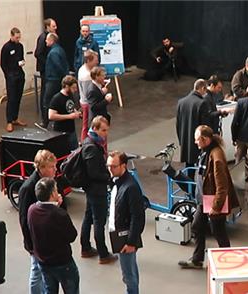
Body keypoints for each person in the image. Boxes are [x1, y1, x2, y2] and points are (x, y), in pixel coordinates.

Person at [178, 125, 240, 269]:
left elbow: (222, 186)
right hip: (204, 200)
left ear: (205, 139)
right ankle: (197, 260)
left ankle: (229, 261)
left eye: (197, 140)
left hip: (213, 203)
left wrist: (216, 207)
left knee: (219, 232)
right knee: (197, 227)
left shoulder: (216, 157)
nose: (195, 142)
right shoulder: (206, 151)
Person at [27, 177, 79, 294]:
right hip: (63, 262)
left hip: (44, 262)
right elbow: (72, 236)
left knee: (49, 290)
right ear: (52, 193)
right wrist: (58, 207)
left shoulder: (32, 210)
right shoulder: (59, 214)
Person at [18, 150, 58, 294]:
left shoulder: (48, 183)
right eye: (52, 167)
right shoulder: (28, 188)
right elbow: (23, 219)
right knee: (37, 272)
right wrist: (30, 244)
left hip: (47, 239)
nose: (55, 170)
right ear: (41, 168)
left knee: (43, 273)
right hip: (36, 241)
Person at [107, 151, 146, 294]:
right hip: (118, 234)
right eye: (108, 166)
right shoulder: (116, 181)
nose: (110, 169)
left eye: (114, 166)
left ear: (123, 165)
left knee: (128, 275)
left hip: (125, 238)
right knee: (130, 271)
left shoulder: (131, 187)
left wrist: (131, 242)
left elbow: (138, 217)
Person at [80, 116, 117, 264]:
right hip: (96, 190)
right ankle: (103, 254)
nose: (105, 133)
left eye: (107, 130)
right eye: (103, 130)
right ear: (94, 129)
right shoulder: (91, 147)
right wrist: (109, 177)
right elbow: (94, 173)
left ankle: (86, 248)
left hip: (91, 189)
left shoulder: (90, 142)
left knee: (89, 217)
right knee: (99, 221)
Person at [176, 79, 212, 173]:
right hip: (199, 142)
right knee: (201, 170)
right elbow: (204, 126)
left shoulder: (181, 102)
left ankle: (189, 187)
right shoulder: (202, 103)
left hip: (185, 141)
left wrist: (181, 141)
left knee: (189, 169)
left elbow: (178, 124)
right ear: (203, 88)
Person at [0, 27, 27, 132]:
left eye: (19, 37)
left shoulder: (20, 46)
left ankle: (15, 118)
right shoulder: (6, 47)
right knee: (11, 99)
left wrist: (22, 62)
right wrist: (8, 75)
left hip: (20, 74)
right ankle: (9, 121)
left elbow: (21, 57)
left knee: (18, 98)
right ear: (11, 36)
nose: (18, 39)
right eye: (16, 37)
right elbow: (3, 64)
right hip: (11, 76)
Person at [41, 33, 69, 128]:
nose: (45, 41)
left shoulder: (53, 53)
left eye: (47, 40)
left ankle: (45, 122)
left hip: (53, 80)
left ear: (52, 41)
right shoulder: (60, 50)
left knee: (47, 101)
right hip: (58, 79)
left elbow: (58, 66)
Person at [34, 18, 58, 123]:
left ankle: (51, 113)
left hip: (50, 70)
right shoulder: (43, 38)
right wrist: (48, 64)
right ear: (47, 27)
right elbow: (38, 53)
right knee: (45, 92)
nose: (55, 28)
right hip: (45, 70)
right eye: (53, 26)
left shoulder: (53, 37)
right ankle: (45, 117)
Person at [49, 76, 82, 150]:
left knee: (75, 153)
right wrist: (69, 116)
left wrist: (76, 113)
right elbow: (51, 116)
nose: (75, 90)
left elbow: (70, 108)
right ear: (67, 86)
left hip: (71, 130)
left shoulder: (70, 96)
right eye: (73, 88)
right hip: (61, 132)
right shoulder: (56, 98)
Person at [78, 50, 99, 142]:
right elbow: (89, 94)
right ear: (88, 61)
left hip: (84, 101)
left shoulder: (83, 69)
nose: (97, 62)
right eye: (95, 60)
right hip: (87, 104)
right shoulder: (86, 76)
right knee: (87, 125)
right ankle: (85, 144)